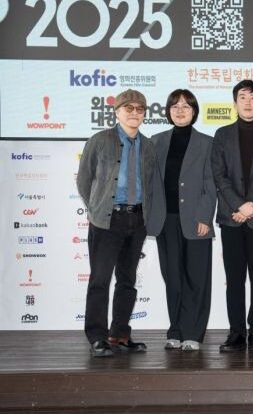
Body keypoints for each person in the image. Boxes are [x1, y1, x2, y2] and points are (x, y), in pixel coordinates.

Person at [76, 89, 155, 357]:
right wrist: (98, 209)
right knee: (100, 280)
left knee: (127, 280)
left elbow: (150, 184)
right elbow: (84, 180)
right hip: (106, 220)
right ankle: (97, 337)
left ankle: (120, 334)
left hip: (137, 219)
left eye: (139, 109)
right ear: (117, 111)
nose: (134, 113)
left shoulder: (149, 146)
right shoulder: (99, 140)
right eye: (128, 108)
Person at [146, 89, 216, 351]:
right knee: (173, 278)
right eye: (175, 106)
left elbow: (211, 184)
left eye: (186, 106)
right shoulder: (155, 141)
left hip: (196, 220)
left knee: (196, 278)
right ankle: (175, 330)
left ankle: (193, 333)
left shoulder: (207, 143)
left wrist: (205, 216)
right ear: (168, 111)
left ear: (194, 111)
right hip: (165, 221)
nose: (180, 110)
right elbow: (149, 183)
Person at [212, 80, 253, 352]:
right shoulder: (222, 134)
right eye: (242, 97)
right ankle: (237, 332)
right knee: (235, 278)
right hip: (231, 217)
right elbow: (219, 175)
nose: (248, 102)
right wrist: (239, 206)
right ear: (235, 102)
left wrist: (252, 204)